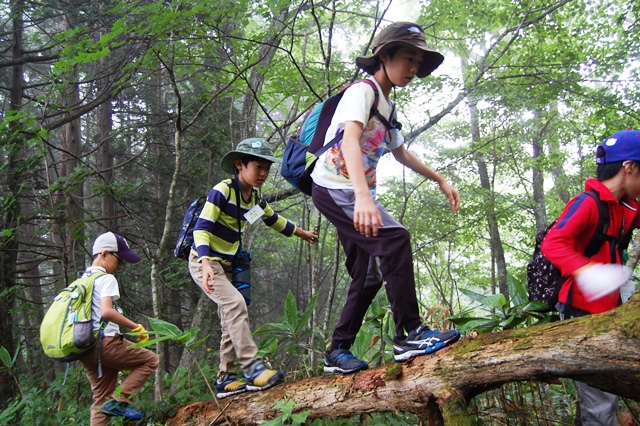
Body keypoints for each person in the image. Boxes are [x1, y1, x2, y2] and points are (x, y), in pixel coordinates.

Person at [309, 21, 462, 375]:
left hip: (351, 192)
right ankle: (410, 334)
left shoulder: (388, 107)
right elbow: (349, 140)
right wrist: (363, 198)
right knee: (395, 239)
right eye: (408, 59)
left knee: (368, 276)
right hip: (336, 187)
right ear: (385, 56)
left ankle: (338, 350)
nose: (412, 69)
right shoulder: (362, 92)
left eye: (418, 64)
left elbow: (401, 154)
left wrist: (440, 179)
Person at [189, 137, 317, 398]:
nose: (264, 174)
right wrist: (204, 262)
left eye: (267, 169)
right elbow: (201, 227)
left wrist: (301, 232)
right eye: (258, 167)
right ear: (240, 164)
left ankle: (226, 378)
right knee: (234, 304)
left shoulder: (254, 197)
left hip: (229, 263)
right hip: (206, 261)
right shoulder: (223, 191)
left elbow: (273, 219)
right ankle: (253, 369)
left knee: (231, 314)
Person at [541, 129, 640, 426]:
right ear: (629, 167)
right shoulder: (587, 203)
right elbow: (553, 243)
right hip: (581, 314)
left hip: (611, 314)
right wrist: (589, 272)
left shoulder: (628, 206)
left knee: (603, 399)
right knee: (600, 403)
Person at [79, 231, 159, 425]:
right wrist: (136, 327)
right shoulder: (106, 279)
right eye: (120, 260)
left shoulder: (82, 280)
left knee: (101, 400)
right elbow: (106, 312)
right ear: (105, 254)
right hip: (106, 343)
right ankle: (121, 401)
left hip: (85, 349)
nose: (120, 266)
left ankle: (114, 403)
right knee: (150, 360)